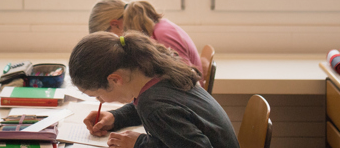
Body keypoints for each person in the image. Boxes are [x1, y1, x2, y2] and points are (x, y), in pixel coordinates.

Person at [70, 31, 239, 148]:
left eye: (98, 95)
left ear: (115, 79)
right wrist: (117, 117)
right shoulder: (158, 75)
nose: (100, 101)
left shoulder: (154, 107)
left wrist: (140, 144)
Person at [88, 0, 202, 70]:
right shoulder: (153, 31)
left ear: (115, 24)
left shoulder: (162, 34)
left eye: (108, 37)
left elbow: (186, 79)